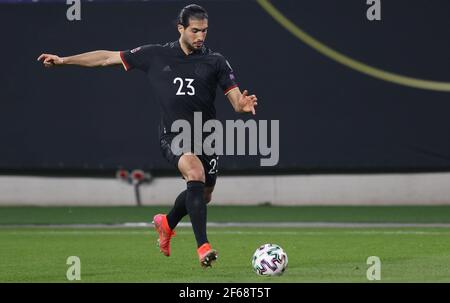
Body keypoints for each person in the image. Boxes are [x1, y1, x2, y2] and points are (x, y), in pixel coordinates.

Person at [37, 4, 258, 268]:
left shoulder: (216, 61)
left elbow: (235, 102)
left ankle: (166, 223)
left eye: (205, 31)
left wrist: (242, 106)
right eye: (195, 30)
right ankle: (203, 247)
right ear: (181, 29)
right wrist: (64, 60)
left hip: (206, 136)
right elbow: (107, 57)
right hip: (173, 134)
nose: (201, 36)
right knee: (195, 173)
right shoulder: (156, 54)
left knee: (203, 194)